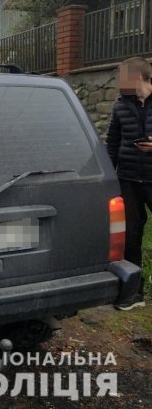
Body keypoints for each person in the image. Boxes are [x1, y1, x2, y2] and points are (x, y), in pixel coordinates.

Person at [106, 57, 152, 310]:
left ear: (139, 78)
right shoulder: (120, 105)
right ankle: (135, 294)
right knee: (131, 236)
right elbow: (112, 142)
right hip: (129, 180)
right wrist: (109, 175)